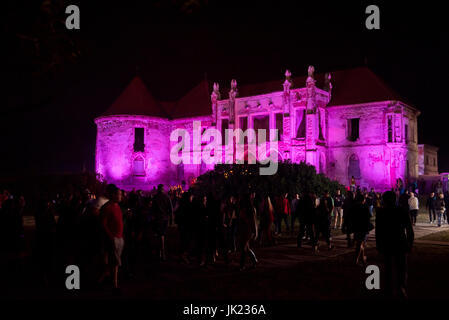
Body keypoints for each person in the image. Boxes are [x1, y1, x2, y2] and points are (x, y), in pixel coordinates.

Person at [376, 191, 414, 299]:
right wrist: (410, 244)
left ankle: (389, 289)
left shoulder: (381, 212)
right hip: (400, 242)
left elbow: (379, 232)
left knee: (388, 267)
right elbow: (409, 230)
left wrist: (378, 245)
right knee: (401, 267)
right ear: (395, 199)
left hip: (387, 243)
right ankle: (401, 287)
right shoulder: (402, 211)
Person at [99, 184, 124, 293]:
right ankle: (115, 286)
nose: (121, 196)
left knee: (114, 262)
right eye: (119, 194)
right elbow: (103, 224)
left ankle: (104, 279)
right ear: (113, 195)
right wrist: (111, 237)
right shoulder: (107, 207)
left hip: (118, 237)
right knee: (115, 263)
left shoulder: (117, 206)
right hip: (113, 238)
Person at [152, 184, 173, 261]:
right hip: (164, 219)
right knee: (162, 235)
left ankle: (160, 252)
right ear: (163, 189)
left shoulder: (155, 197)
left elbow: (152, 209)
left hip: (158, 219)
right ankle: (162, 252)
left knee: (159, 235)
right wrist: (170, 219)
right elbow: (170, 209)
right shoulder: (166, 197)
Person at [238, 193, 258, 270]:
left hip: (247, 230)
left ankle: (242, 265)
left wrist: (254, 231)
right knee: (246, 247)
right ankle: (254, 260)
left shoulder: (249, 209)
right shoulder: (245, 208)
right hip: (245, 230)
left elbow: (253, 221)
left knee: (244, 248)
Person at [351, 194, 372, 265]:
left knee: (361, 243)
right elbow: (369, 216)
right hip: (363, 227)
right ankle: (356, 260)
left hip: (356, 227)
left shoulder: (354, 206)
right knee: (360, 243)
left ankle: (362, 258)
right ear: (363, 200)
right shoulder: (365, 206)